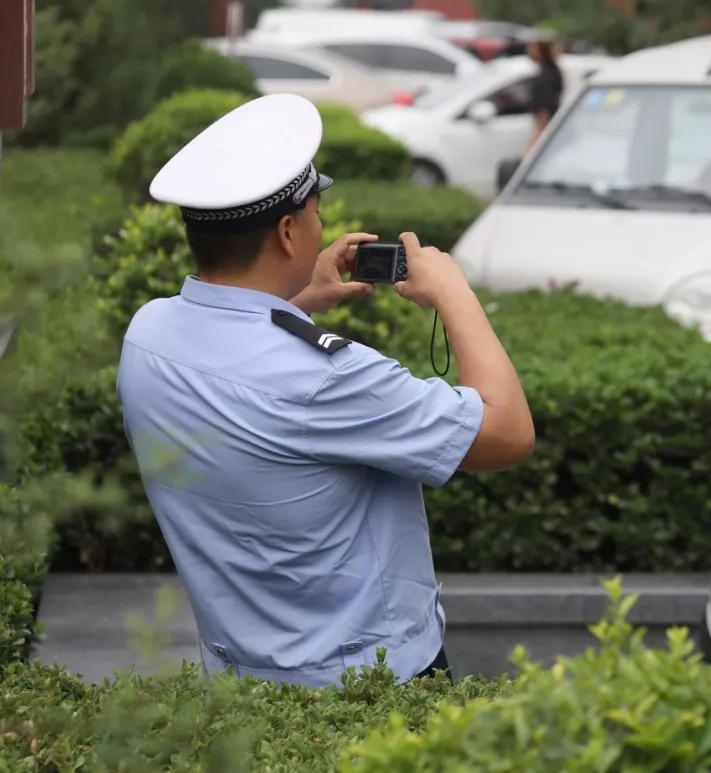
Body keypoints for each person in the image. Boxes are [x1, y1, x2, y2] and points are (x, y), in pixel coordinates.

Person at [115, 93, 534, 689]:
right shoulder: (328, 378)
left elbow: (238, 359)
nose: (321, 223)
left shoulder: (148, 335)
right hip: (370, 689)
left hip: (239, 683)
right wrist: (454, 293)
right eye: (316, 209)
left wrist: (297, 300)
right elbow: (507, 434)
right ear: (289, 231)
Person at [526, 38, 563, 153]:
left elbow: (544, 111)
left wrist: (535, 142)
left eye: (532, 47)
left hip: (547, 128)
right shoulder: (551, 71)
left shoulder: (546, 76)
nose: (529, 51)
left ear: (541, 50)